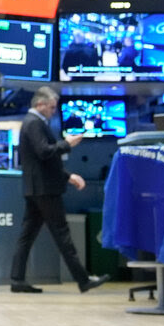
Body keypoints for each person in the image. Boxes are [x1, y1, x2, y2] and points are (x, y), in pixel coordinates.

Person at [9, 84, 109, 294]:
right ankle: (83, 280)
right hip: (45, 190)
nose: (54, 112)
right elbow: (45, 152)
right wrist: (67, 143)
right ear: (40, 104)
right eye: (52, 108)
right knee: (62, 236)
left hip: (36, 188)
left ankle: (17, 280)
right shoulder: (34, 123)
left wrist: (69, 176)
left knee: (26, 236)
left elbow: (44, 161)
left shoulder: (32, 122)